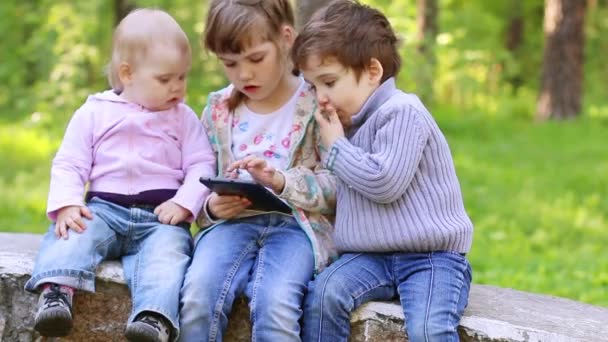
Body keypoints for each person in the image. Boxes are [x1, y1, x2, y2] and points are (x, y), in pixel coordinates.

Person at [24, 9, 216, 342]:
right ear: (127, 73)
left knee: (169, 255)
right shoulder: (94, 112)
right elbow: (70, 162)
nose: (178, 87)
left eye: (182, 77)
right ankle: (56, 291)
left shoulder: (183, 119)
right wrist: (68, 203)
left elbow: (202, 165)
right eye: (165, 79)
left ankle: (153, 316)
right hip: (103, 210)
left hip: (161, 217)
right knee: (72, 234)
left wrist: (185, 204)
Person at [291, 1, 474, 341]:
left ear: (372, 71)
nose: (321, 98)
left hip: (431, 257)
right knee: (324, 294)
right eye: (313, 87)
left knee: (429, 328)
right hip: (368, 257)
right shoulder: (345, 124)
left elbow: (384, 181)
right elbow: (338, 182)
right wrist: (281, 181)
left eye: (329, 82)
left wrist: (336, 148)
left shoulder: (402, 111)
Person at [178, 0, 336, 341]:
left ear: (286, 38)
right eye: (230, 63)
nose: (244, 75)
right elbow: (197, 175)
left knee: (275, 303)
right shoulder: (218, 110)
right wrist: (209, 208)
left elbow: (336, 186)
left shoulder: (317, 104)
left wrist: (280, 180)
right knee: (197, 295)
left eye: (255, 59)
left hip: (297, 228)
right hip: (231, 224)